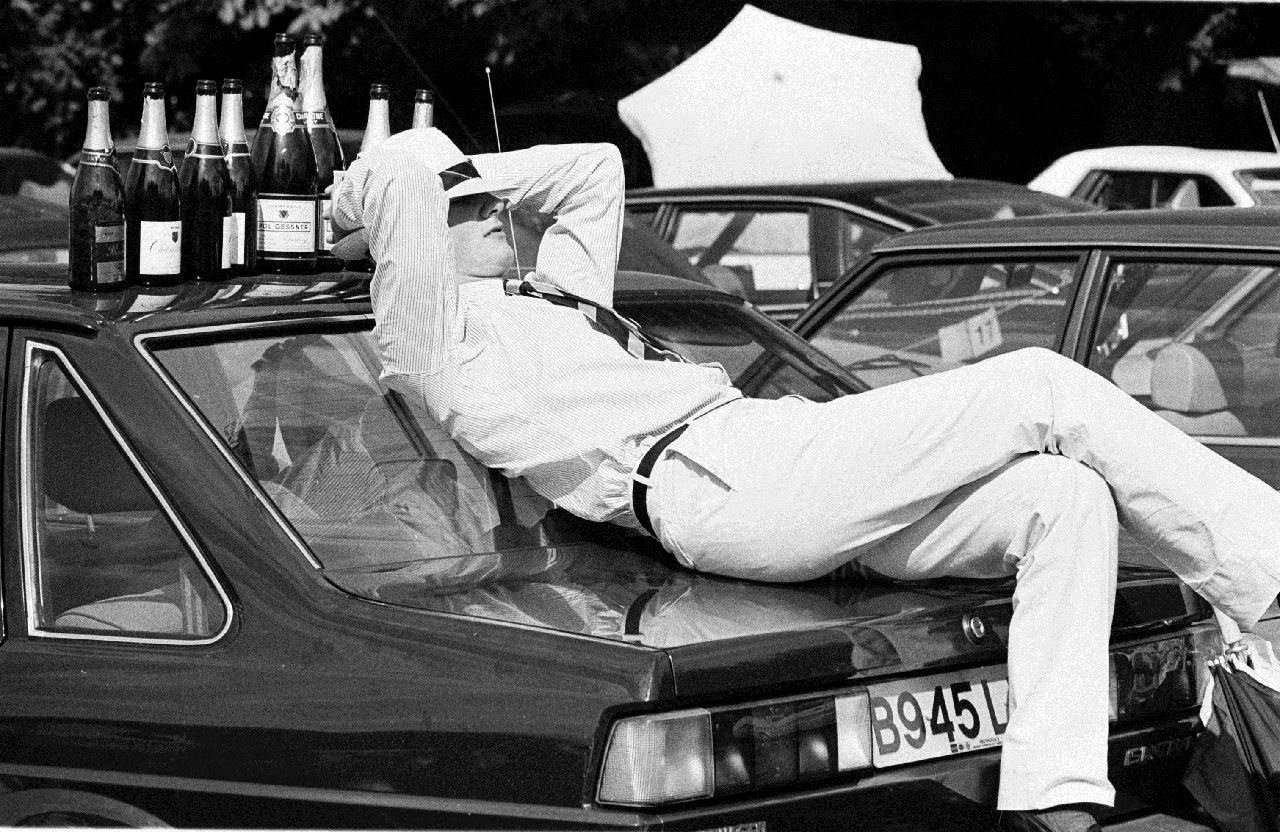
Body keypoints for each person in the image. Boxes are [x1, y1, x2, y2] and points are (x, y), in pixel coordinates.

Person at [331, 128, 1280, 832]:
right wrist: (372, 191)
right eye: (466, 209)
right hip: (725, 480)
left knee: (1059, 496)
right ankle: (1275, 585)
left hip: (771, 458)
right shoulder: (432, 340)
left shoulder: (549, 298)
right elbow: (409, 195)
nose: (496, 211)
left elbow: (592, 169)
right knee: (1041, 383)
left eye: (492, 198)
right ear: (409, 232)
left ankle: (1054, 794)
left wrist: (476, 176)